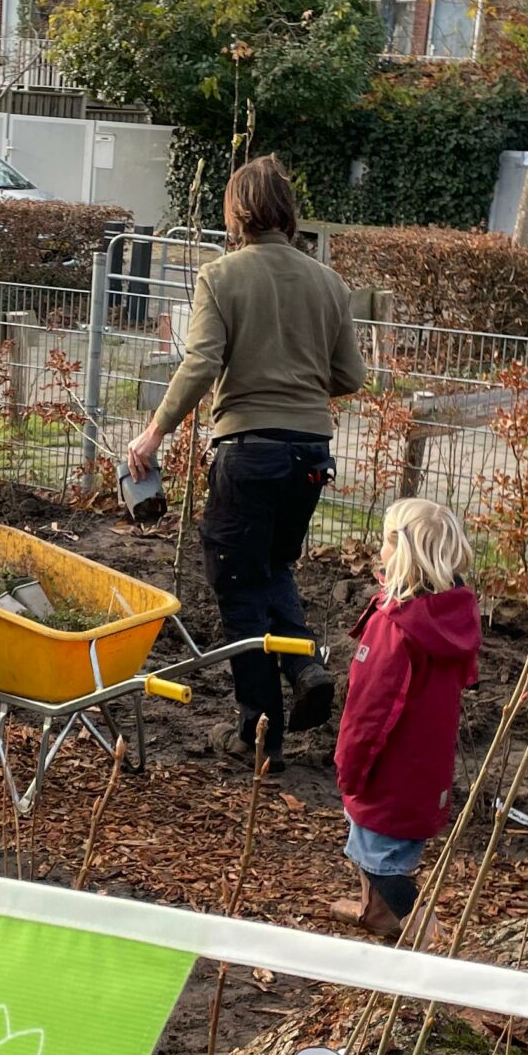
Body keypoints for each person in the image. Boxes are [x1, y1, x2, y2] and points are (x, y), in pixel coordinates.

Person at [124, 156, 365, 771]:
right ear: (286, 211)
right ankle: (305, 665)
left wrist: (154, 433)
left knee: (235, 583)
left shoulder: (221, 277)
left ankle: (258, 732)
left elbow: (202, 362)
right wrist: (297, 379)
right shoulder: (329, 283)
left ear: (237, 212)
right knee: (273, 565)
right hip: (311, 453)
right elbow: (350, 377)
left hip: (248, 451)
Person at [330, 499, 481, 944]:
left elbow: (371, 709)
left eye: (385, 541)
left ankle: (427, 934)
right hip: (426, 766)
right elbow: (465, 673)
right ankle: (373, 911)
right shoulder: (451, 614)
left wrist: (350, 764)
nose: (379, 550)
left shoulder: (396, 626)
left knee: (381, 858)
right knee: (377, 844)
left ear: (403, 552)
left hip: (389, 767)